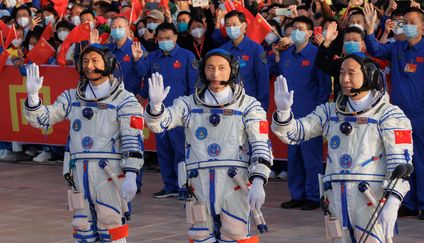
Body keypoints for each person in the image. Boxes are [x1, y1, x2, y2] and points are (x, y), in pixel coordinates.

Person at [272, 53, 412, 242]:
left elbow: (400, 164)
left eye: (351, 73)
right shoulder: (330, 112)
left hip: (371, 200)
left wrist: (393, 201)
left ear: (369, 76)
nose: (345, 79)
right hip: (336, 200)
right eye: (341, 73)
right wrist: (283, 112)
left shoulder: (388, 114)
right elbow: (295, 134)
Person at [144, 49, 273, 242]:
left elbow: (261, 144)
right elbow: (161, 123)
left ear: (233, 71)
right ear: (203, 71)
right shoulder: (188, 104)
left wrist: (258, 180)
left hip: (234, 185)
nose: (215, 74)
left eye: (222, 68)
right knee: (200, 237)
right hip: (198, 186)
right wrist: (155, 107)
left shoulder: (248, 105)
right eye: (210, 68)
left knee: (235, 236)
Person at [23, 44, 144, 242]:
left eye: (95, 60)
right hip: (79, 173)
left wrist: (131, 173)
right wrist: (33, 97)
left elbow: (132, 138)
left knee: (111, 225)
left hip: (109, 174)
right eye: (86, 61)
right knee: (83, 228)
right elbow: (43, 119)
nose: (89, 66)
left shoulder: (124, 100)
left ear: (109, 64)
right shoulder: (72, 98)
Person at [363, 4, 424, 220]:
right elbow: (375, 50)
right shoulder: (397, 48)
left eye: (413, 23)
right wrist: (370, 28)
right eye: (405, 22)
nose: (408, 26)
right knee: (402, 160)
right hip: (398, 117)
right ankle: (408, 202)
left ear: (422, 26)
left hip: (420, 114)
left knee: (421, 160)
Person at [132, 22, 198, 199]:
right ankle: (169, 186)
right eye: (160, 38)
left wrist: (192, 109)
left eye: (168, 38)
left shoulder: (186, 56)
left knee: (181, 151)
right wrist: (138, 59)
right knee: (164, 150)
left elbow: (194, 86)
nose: (164, 41)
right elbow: (143, 75)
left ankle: (184, 187)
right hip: (158, 113)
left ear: (175, 37)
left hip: (179, 114)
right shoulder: (153, 57)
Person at [276, 16, 331, 210]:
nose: (297, 32)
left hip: (310, 115)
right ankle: (297, 194)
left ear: (309, 33)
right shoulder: (286, 56)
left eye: (301, 29)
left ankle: (314, 196)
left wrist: (320, 111)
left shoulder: (316, 54)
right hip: (291, 115)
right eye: (294, 29)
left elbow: (324, 85)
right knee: (294, 157)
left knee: (311, 158)